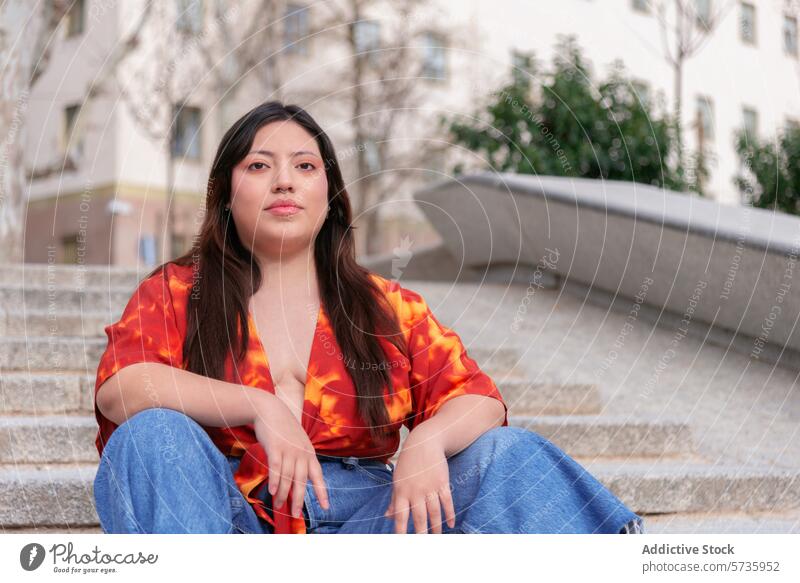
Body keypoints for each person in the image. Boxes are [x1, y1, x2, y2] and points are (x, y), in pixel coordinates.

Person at [92, 100, 645, 535]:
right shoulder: (177, 291)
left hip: (377, 520)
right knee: (150, 437)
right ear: (226, 196)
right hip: (229, 521)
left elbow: (478, 398)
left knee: (508, 454)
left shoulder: (386, 307)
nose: (284, 181)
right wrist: (258, 406)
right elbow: (122, 388)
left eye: (304, 166)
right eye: (259, 166)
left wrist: (426, 443)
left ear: (328, 195)